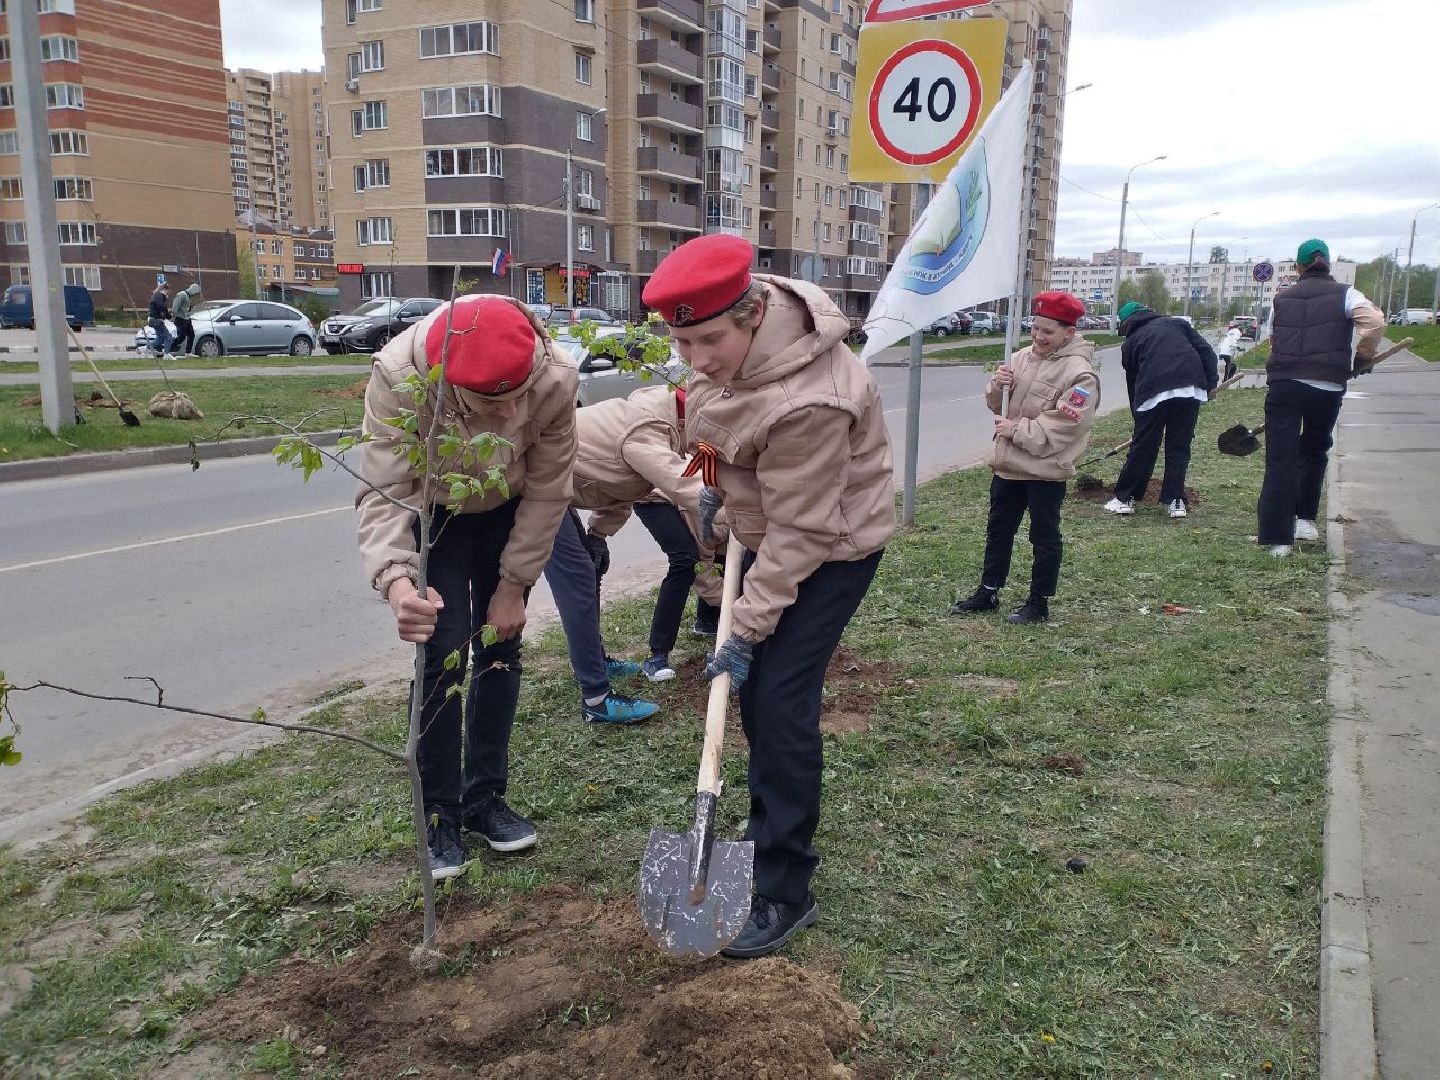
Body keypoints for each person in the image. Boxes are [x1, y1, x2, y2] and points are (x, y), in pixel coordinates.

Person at [643, 233, 895, 958]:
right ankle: (758, 839)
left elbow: (802, 534)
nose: (695, 358)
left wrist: (745, 629)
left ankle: (785, 886)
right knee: (754, 699)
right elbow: (710, 424)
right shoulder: (724, 350)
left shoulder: (812, 399)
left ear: (752, 313)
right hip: (776, 528)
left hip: (832, 546)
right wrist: (709, 486)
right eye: (681, 341)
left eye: (708, 340)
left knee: (779, 700)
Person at [357, 294, 578, 879]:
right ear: (447, 381)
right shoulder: (401, 377)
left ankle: (485, 800)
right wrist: (399, 582)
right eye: (488, 403)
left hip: (508, 509)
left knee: (501, 646)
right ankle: (439, 817)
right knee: (444, 655)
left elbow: (551, 488)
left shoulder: (556, 377)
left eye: (516, 399)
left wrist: (514, 585)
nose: (508, 417)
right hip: (439, 517)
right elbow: (386, 491)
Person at [949, 291, 1101, 624]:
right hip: (1007, 467)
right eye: (1035, 328)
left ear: (1069, 333)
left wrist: (1016, 430)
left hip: (1045, 471)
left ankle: (1038, 603)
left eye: (1048, 331)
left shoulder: (1080, 375)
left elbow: (1066, 425)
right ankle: (988, 591)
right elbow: (996, 404)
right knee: (998, 531)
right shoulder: (1020, 357)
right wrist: (997, 385)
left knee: (1044, 537)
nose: (1038, 337)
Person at [573, 384, 723, 683]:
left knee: (587, 575)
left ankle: (596, 660)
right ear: (684, 421)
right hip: (543, 492)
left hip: (564, 493)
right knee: (684, 559)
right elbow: (685, 486)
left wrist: (598, 534)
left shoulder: (657, 428)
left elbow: (617, 483)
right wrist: (745, 516)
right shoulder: (645, 430)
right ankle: (639, 664)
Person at [1258, 238, 1385, 556]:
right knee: (1313, 451)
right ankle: (1305, 522)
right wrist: (1363, 357)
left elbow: (1273, 343)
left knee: (1280, 459)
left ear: (1299, 267)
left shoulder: (1282, 299)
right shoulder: (1346, 294)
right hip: (1326, 387)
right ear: (1327, 263)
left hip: (1284, 386)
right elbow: (1374, 323)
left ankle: (1277, 540)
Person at [542, 503, 661, 725]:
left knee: (586, 564)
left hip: (552, 490)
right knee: (577, 578)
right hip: (537, 492)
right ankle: (596, 699)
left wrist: (597, 534)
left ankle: (596, 663)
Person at [1103, 300, 1219, 520]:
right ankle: (1175, 502)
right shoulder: (1177, 324)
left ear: (1127, 323)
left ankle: (1124, 498)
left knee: (1144, 446)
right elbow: (1206, 352)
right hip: (1189, 389)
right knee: (1179, 446)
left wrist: (1138, 420)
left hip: (1153, 392)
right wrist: (1210, 383)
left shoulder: (1131, 342)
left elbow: (1133, 382)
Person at [147, 282, 176, 361]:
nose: (169, 293)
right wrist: (166, 299)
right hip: (156, 320)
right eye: (168, 290)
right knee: (168, 337)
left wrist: (172, 318)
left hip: (154, 320)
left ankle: (145, 348)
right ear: (164, 289)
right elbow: (161, 306)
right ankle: (166, 354)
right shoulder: (158, 295)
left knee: (160, 339)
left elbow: (166, 313)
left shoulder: (160, 296)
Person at [171, 283, 201, 357]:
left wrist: (191, 308)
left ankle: (188, 352)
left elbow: (186, 307)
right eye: (196, 293)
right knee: (182, 336)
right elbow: (176, 305)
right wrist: (173, 314)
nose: (195, 295)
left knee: (191, 335)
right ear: (193, 290)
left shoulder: (188, 296)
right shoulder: (182, 294)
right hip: (180, 318)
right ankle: (169, 347)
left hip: (187, 318)